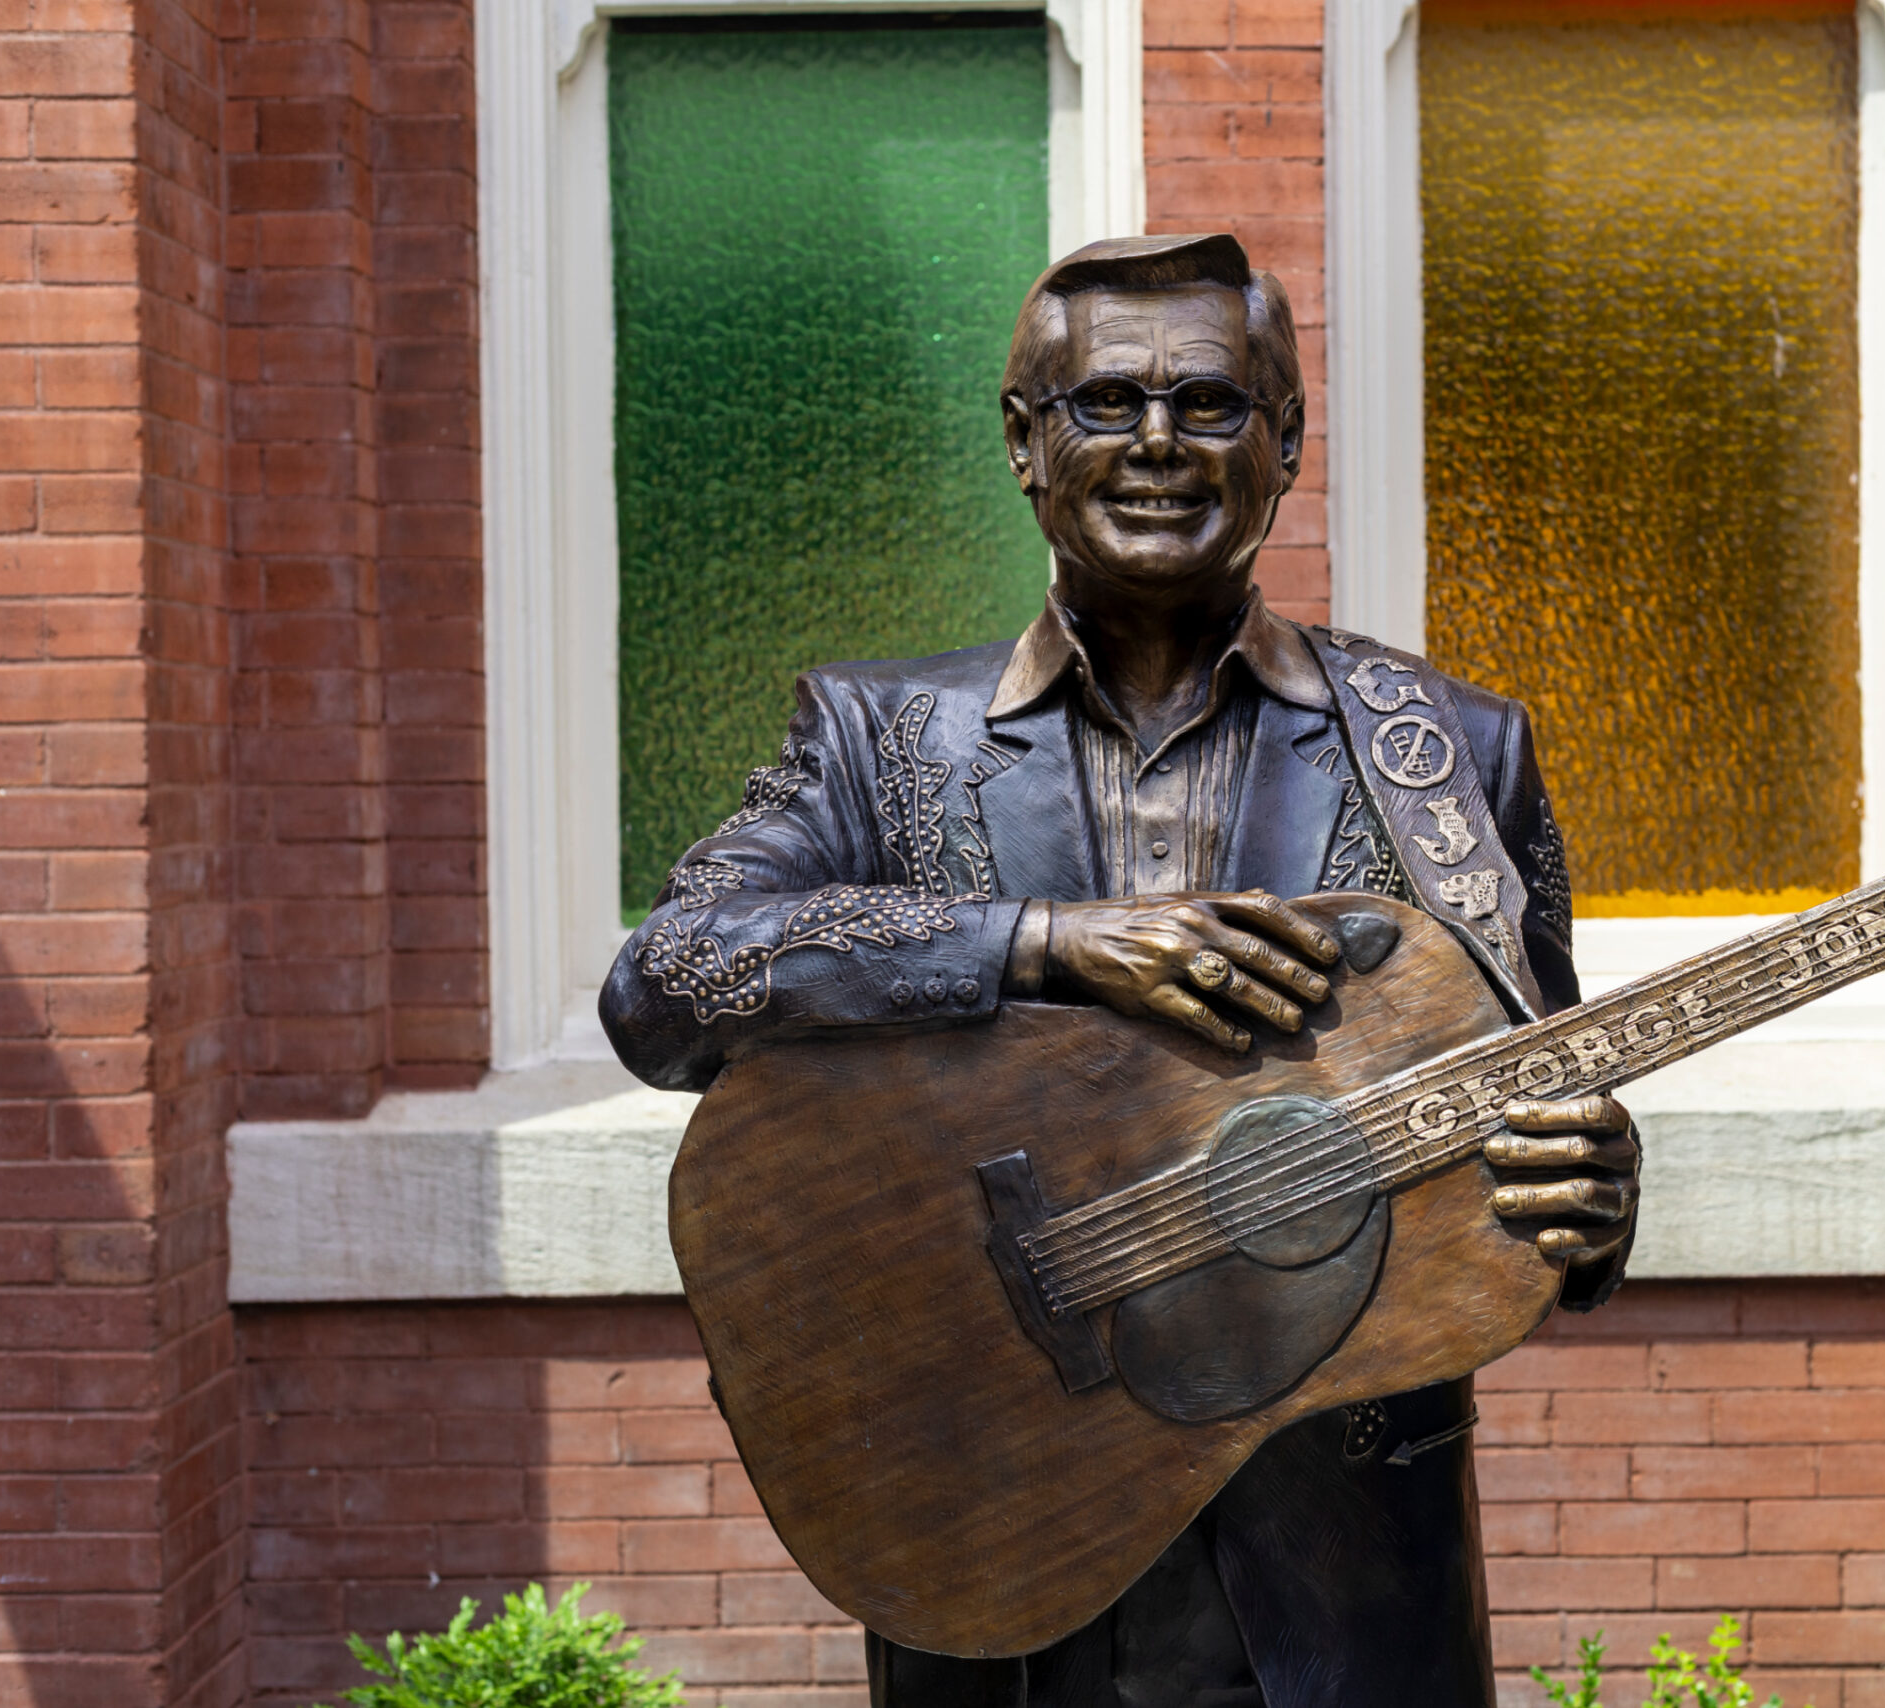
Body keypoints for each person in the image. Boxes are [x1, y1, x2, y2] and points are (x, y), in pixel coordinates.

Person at [601, 232, 1641, 1708]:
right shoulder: (881, 738)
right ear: (1027, 444)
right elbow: (667, 983)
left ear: (1285, 444)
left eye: (1213, 404)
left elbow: (1547, 1101)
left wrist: (1589, 1198)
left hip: (1344, 1597)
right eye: (1105, 403)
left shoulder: (1449, 753)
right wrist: (1047, 945)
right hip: (997, 1529)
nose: (1159, 443)